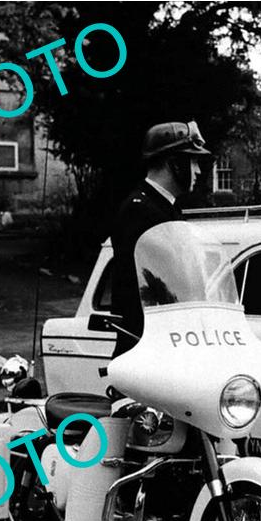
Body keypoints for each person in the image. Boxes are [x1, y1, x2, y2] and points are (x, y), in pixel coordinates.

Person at [110, 121, 212, 357]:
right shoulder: (140, 210)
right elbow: (154, 284)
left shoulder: (165, 207)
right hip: (146, 347)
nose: (198, 170)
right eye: (193, 161)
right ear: (173, 163)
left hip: (168, 342)